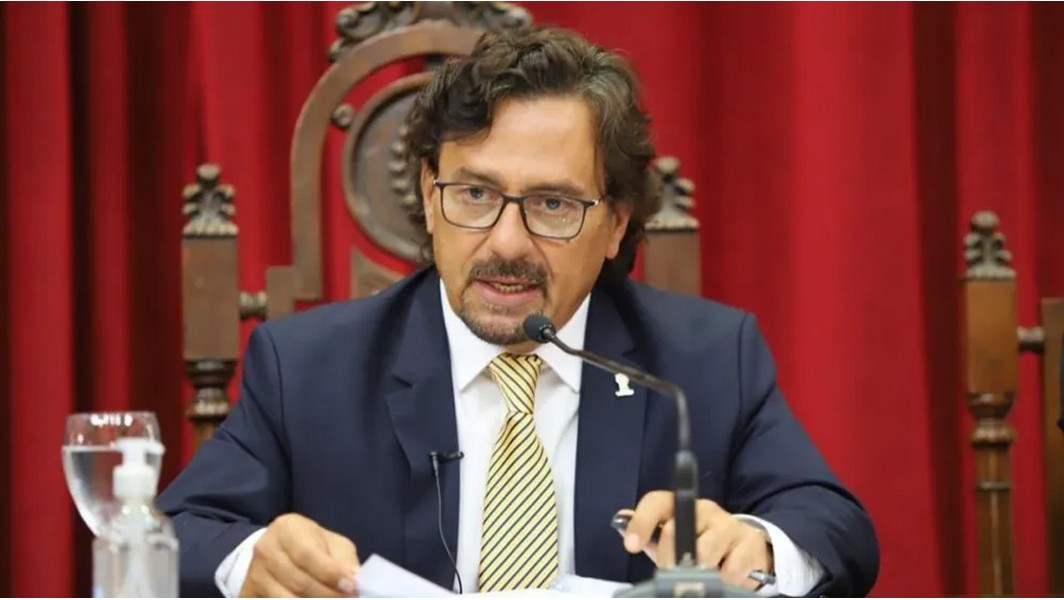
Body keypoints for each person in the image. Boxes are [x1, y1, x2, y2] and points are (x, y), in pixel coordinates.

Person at [157, 25, 879, 598]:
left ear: (615, 224)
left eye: (552, 204)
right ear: (429, 196)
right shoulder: (308, 368)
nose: (507, 243)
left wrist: (756, 548)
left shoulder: (706, 361)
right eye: (475, 195)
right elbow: (177, 532)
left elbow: (835, 528)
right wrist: (253, 560)